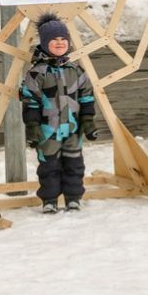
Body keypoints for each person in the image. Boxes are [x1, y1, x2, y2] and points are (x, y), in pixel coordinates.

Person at [19, 13, 98, 213]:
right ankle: (50, 200)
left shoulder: (76, 71)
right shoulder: (37, 73)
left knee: (74, 165)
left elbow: (87, 96)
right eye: (54, 39)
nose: (60, 43)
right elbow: (31, 102)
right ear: (45, 43)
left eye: (63, 39)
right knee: (48, 167)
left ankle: (73, 197)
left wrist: (88, 120)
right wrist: (33, 126)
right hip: (48, 130)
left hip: (73, 128)